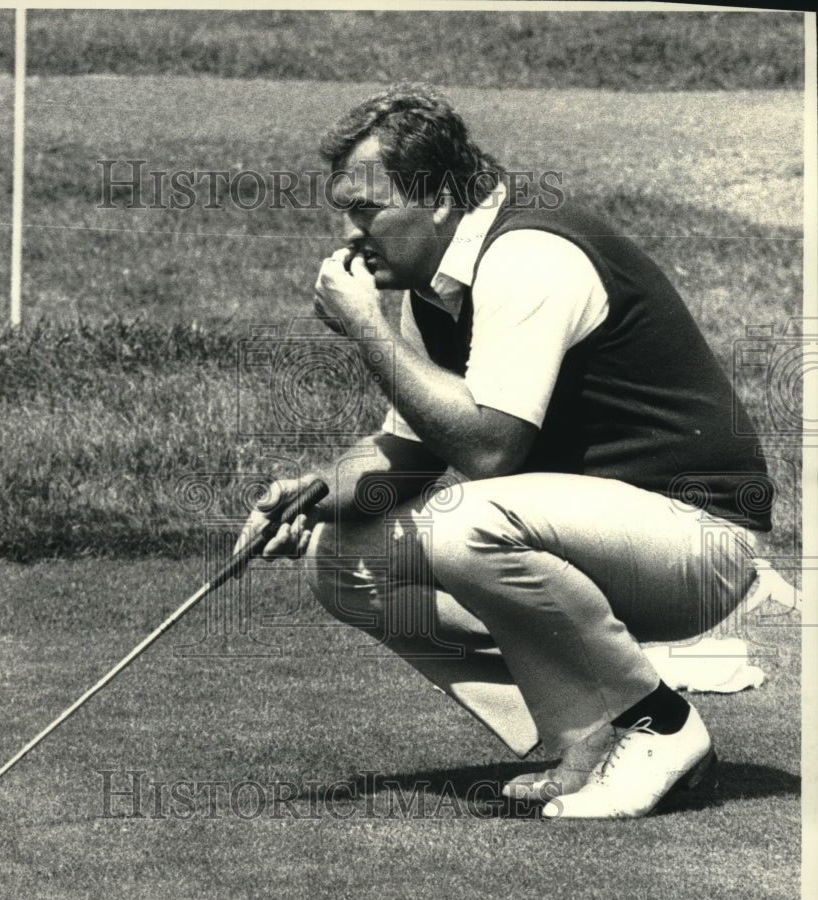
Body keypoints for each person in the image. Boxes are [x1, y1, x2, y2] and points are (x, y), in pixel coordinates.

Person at [238, 84, 773, 819]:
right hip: (597, 538)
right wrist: (313, 493)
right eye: (343, 209)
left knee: (459, 521)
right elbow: (411, 451)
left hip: (698, 542)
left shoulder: (527, 256)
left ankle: (659, 723)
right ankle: (591, 729)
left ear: (440, 200)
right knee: (343, 560)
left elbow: (488, 450)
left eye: (367, 208)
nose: (349, 233)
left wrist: (367, 328)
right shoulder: (436, 280)